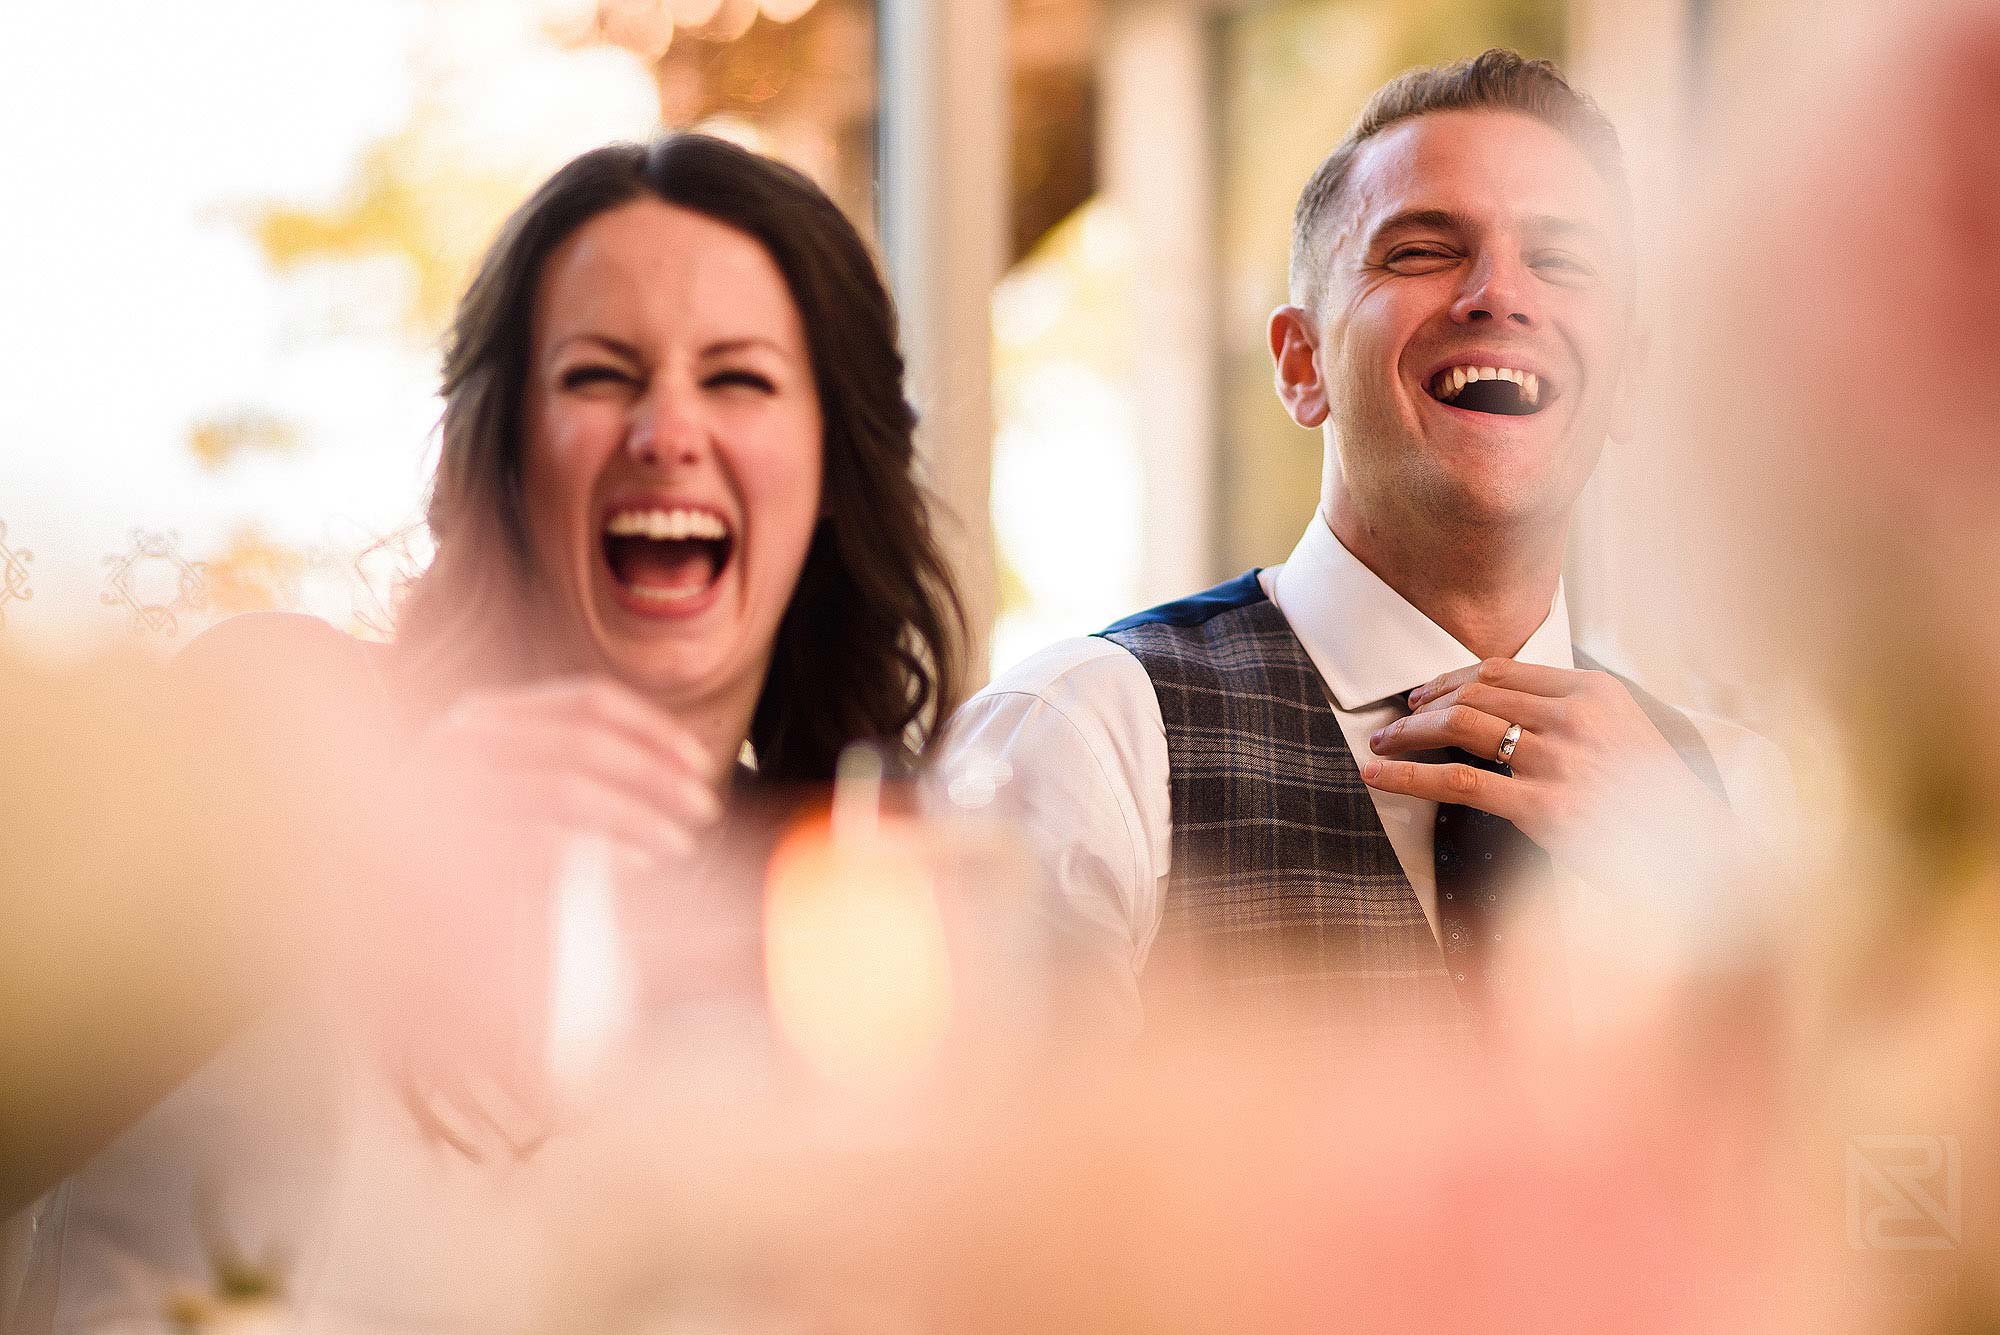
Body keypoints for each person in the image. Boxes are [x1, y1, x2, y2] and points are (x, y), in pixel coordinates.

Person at [8, 132, 963, 1334]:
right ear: (498, 447)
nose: (666, 431)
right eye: (599, 375)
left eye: (738, 380)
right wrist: (355, 850)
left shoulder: (849, 935)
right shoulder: (282, 725)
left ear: (828, 469)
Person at [938, 49, 1789, 1038]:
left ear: (1630, 376)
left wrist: (1709, 884)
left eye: (1561, 263)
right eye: (1422, 250)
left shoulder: (1748, 802)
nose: (1499, 294)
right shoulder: (1083, 745)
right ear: (1302, 363)